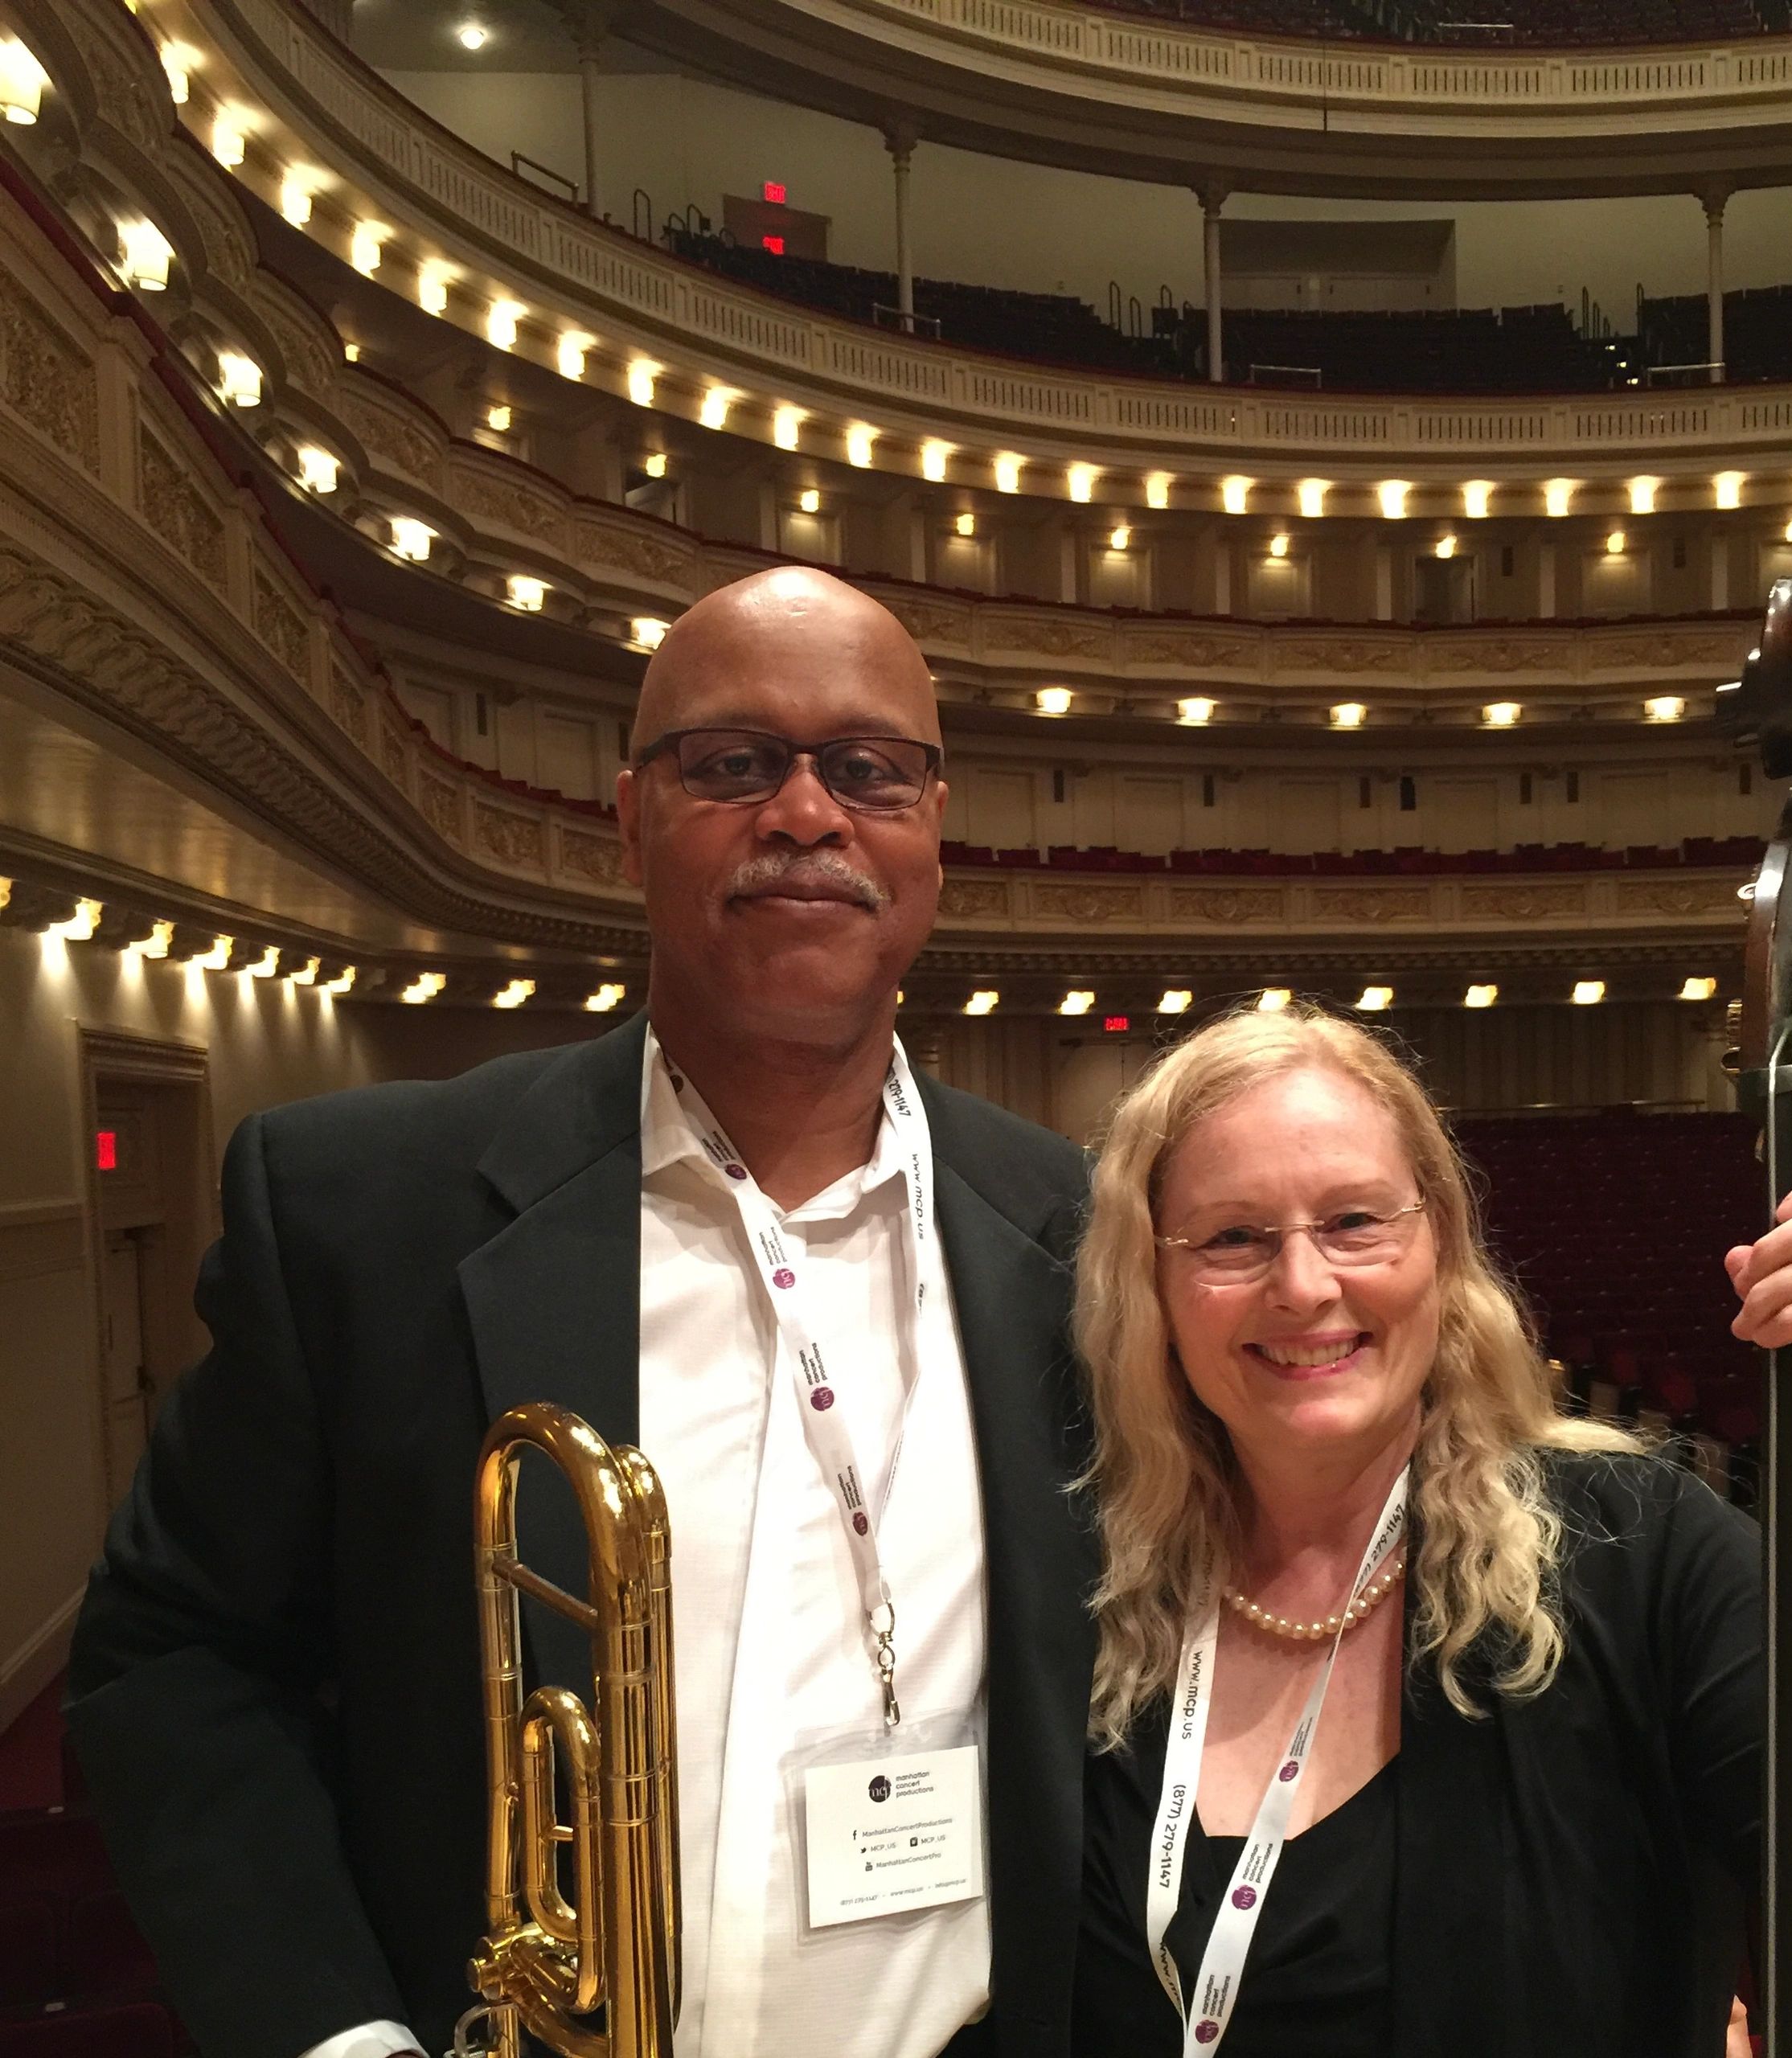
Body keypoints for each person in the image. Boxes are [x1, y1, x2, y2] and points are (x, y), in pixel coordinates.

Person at [64, 567, 1096, 2058]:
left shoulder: (1082, 1230)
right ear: (628, 821)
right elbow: (170, 1651)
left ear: (933, 827)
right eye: (733, 763)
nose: (806, 813)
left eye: (868, 769)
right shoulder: (364, 1209)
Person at [1068, 1002, 1792, 2056]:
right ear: (1151, 1280)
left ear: (1439, 1239)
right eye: (1232, 1237)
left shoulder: (1639, 1551)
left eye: (1353, 1221)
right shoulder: (1087, 1591)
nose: (1302, 1286)